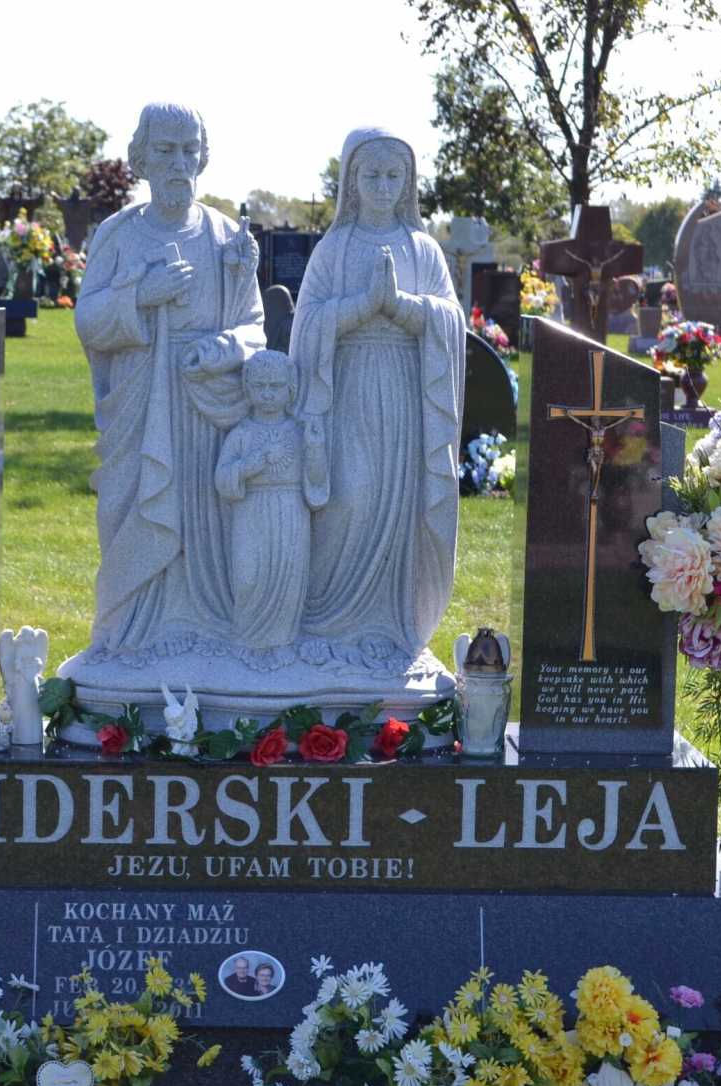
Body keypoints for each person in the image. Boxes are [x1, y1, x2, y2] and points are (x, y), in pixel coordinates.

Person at [75, 102, 264, 656]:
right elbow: (87, 320)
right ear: (141, 158)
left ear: (203, 156)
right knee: (134, 506)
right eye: (165, 150)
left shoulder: (226, 236)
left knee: (205, 518)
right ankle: (129, 630)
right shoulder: (118, 236)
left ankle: (204, 628)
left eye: (189, 150)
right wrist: (140, 296)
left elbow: (256, 327)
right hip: (140, 400)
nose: (179, 162)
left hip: (209, 407)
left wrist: (224, 347)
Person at [286, 128, 462, 670]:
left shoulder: (423, 249)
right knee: (348, 496)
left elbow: (451, 321)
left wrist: (405, 308)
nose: (383, 186)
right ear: (351, 183)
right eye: (372, 176)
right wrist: (362, 307)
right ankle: (325, 620)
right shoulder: (333, 249)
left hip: (405, 395)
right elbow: (307, 323)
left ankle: (390, 625)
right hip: (348, 391)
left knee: (400, 505)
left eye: (394, 176)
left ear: (408, 183)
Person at [214, 351, 327, 650]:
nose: (267, 394)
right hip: (251, 511)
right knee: (249, 576)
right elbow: (222, 479)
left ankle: (281, 644)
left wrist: (315, 448)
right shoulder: (241, 434)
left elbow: (316, 481)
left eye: (275, 387)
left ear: (289, 389)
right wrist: (248, 466)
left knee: (288, 576)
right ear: (248, 389)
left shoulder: (298, 432)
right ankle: (248, 641)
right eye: (260, 386)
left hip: (290, 511)